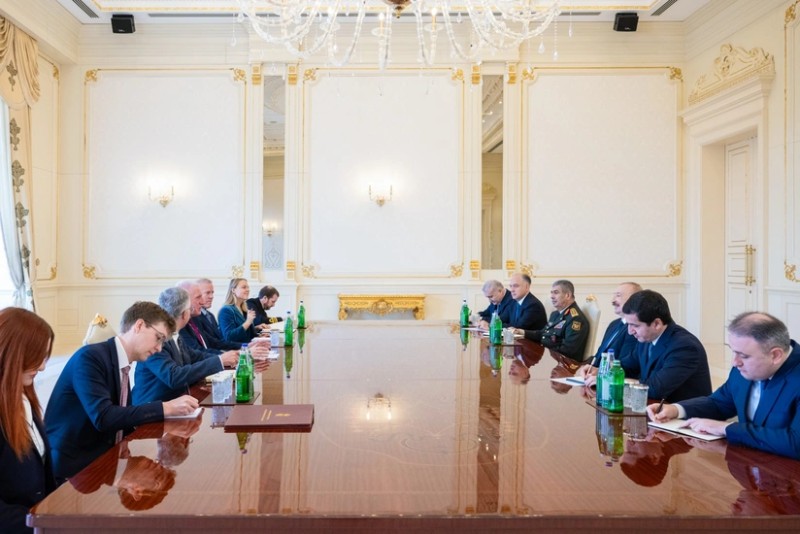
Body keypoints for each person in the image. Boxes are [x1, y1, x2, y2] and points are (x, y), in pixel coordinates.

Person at [46, 301, 199, 481]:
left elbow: (122, 417)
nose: (159, 348)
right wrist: (165, 408)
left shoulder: (122, 362)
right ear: (139, 325)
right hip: (76, 469)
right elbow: (103, 417)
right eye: (158, 338)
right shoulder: (90, 358)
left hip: (109, 459)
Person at [649, 312, 800, 459]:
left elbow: (796, 443)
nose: (735, 362)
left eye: (744, 356)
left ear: (775, 355)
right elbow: (719, 403)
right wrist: (676, 410)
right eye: (733, 352)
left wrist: (726, 428)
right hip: (748, 463)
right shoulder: (743, 368)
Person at [0, 308, 58, 534]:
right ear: (12, 353)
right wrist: (41, 525)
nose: (42, 367)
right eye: (37, 357)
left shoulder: (24, 398)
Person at [132, 287, 239, 404]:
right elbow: (174, 377)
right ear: (184, 314)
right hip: (152, 409)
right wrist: (220, 361)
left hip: (177, 403)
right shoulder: (157, 340)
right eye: (189, 308)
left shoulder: (175, 334)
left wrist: (228, 357)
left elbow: (196, 356)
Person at [621, 289, 711, 403]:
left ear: (657, 324)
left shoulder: (685, 347)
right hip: (654, 408)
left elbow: (656, 389)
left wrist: (618, 382)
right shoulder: (646, 339)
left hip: (682, 412)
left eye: (635, 326)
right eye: (628, 325)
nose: (630, 331)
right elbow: (625, 367)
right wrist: (604, 372)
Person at [578, 282, 642, 385]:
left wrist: (601, 374)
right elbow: (600, 355)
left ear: (633, 299)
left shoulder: (635, 330)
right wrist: (589, 367)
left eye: (618, 295)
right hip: (594, 380)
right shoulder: (614, 324)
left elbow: (627, 366)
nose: (613, 300)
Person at [517, 279, 589, 361]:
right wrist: (522, 332)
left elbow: (567, 351)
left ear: (568, 295)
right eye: (551, 292)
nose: (551, 296)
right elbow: (543, 334)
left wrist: (542, 354)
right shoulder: (555, 314)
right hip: (550, 358)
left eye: (556, 292)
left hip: (563, 363)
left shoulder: (576, 319)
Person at [193, 278, 242, 351]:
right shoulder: (195, 317)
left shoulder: (210, 315)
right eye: (207, 293)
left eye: (212, 293)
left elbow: (219, 341)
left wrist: (243, 346)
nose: (211, 296)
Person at [217, 278, 259, 343]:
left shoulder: (244, 309)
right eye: (244, 287)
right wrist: (248, 322)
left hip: (248, 346)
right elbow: (229, 337)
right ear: (233, 290)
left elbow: (249, 335)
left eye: (248, 287)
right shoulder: (226, 310)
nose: (247, 290)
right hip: (236, 348)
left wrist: (260, 336)